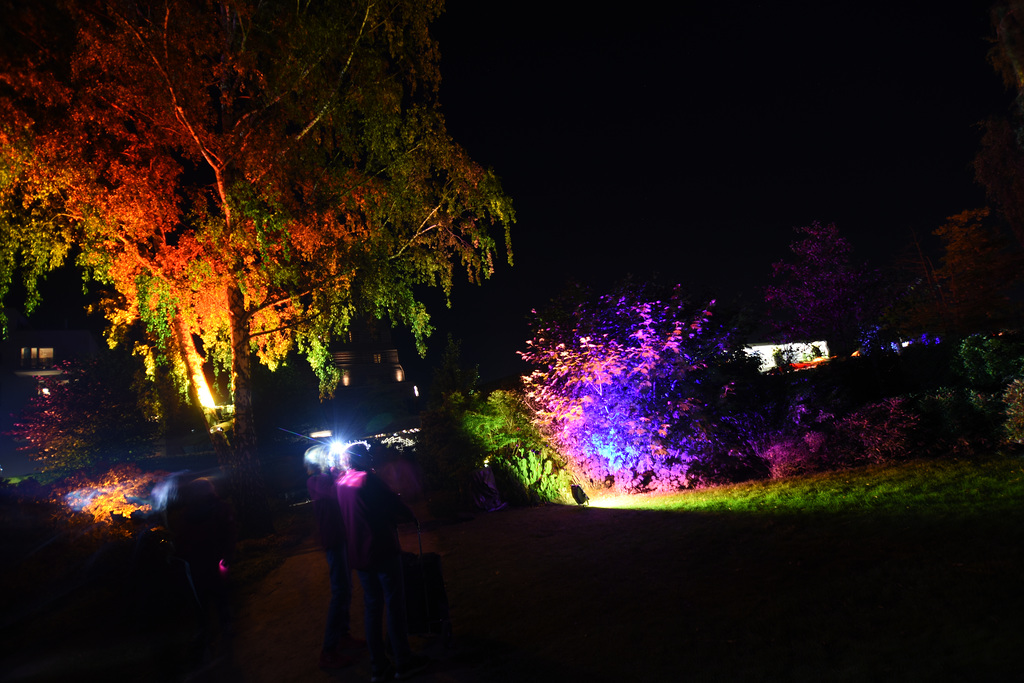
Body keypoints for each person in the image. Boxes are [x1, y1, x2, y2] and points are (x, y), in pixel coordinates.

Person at [336, 443, 430, 682]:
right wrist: (410, 516)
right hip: (382, 549)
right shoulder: (369, 480)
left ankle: (378, 666)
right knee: (395, 605)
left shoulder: (341, 482)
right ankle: (402, 660)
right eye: (367, 455)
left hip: (360, 553)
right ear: (362, 457)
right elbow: (393, 504)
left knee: (372, 608)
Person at [306, 454, 363, 669]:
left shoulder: (326, 478)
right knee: (340, 591)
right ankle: (328, 651)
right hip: (334, 540)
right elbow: (332, 492)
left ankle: (343, 635)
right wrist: (335, 471)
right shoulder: (315, 481)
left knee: (346, 588)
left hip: (340, 537)